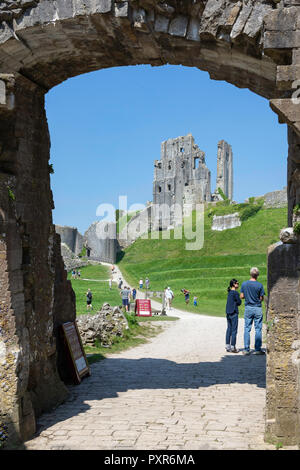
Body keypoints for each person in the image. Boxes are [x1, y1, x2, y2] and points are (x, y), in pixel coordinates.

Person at [240, 267, 265, 355]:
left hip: (248, 307)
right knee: (258, 329)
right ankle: (257, 349)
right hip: (257, 307)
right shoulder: (260, 285)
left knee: (247, 328)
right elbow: (261, 298)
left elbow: (242, 296)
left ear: (250, 274)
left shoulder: (244, 284)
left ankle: (246, 349)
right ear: (257, 275)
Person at [225, 279, 241, 353]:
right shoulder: (235, 293)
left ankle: (227, 345)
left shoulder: (229, 292)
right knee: (234, 330)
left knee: (229, 329)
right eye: (237, 283)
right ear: (234, 284)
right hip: (234, 312)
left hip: (228, 312)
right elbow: (239, 302)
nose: (238, 284)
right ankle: (233, 347)